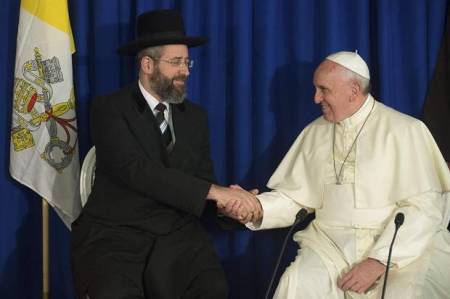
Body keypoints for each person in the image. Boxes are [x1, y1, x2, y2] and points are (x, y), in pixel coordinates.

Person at [225, 51, 450, 298]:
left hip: (399, 250)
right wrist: (256, 207)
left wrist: (378, 261)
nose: (315, 98)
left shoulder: (405, 130)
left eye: (323, 90)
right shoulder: (314, 133)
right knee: (296, 284)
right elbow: (296, 200)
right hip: (329, 245)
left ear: (354, 90)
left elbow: (426, 208)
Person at [71, 9, 261, 299]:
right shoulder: (109, 108)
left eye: (187, 62)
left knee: (214, 290)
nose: (185, 70)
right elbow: (137, 171)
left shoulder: (195, 117)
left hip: (178, 236)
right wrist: (216, 192)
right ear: (147, 64)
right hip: (117, 237)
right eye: (175, 62)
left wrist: (228, 207)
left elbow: (202, 180)